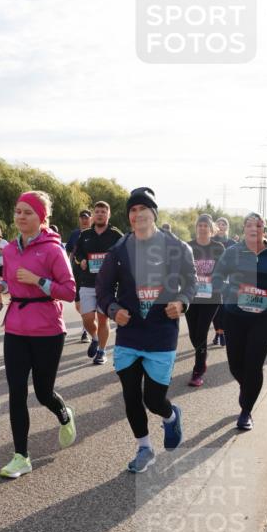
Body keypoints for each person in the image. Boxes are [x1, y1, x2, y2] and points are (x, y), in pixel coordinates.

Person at [96, 187, 196, 473]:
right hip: (129, 333)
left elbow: (190, 283)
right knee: (130, 395)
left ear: (154, 214)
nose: (138, 214)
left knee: (153, 399)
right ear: (129, 217)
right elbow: (103, 290)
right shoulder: (118, 251)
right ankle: (144, 447)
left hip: (161, 333)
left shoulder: (177, 248)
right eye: (133, 210)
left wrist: (182, 302)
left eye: (144, 209)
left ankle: (169, 416)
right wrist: (114, 310)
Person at [0, 190, 77, 478]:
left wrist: (39, 281)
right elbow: (12, 281)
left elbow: (68, 290)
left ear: (42, 217)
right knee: (16, 392)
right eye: (18, 211)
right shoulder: (9, 249)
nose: (21, 216)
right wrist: (2, 287)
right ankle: (21, 456)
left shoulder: (53, 249)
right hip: (15, 326)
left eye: (28, 212)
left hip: (47, 329)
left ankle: (63, 412)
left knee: (42, 392)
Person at [212, 212, 267, 430]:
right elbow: (217, 276)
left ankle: (246, 410)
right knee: (235, 364)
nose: (253, 229)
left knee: (254, 364)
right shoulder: (232, 252)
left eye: (258, 225)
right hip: (235, 315)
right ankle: (247, 387)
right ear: (244, 229)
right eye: (249, 224)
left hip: (264, 317)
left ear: (263, 230)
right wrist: (229, 290)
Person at [73, 201, 122, 365]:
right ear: (94, 215)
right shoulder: (85, 234)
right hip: (87, 283)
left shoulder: (116, 235)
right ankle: (94, 338)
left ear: (108, 214)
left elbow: (124, 257)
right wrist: (82, 261)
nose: (100, 214)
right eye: (98, 211)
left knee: (103, 319)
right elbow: (77, 254)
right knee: (87, 318)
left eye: (103, 211)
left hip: (107, 286)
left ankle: (101, 351)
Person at [185, 214, 226, 386]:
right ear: (196, 228)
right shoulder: (188, 246)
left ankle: (198, 370)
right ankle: (202, 356)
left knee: (201, 332)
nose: (202, 228)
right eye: (199, 225)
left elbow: (225, 270)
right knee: (194, 335)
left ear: (211, 229)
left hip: (211, 297)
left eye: (205, 225)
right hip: (191, 297)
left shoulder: (218, 247)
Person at [66, 209, 93, 342]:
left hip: (90, 273)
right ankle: (88, 323)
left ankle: (85, 330)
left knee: (88, 302)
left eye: (87, 217)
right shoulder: (75, 234)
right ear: (79, 219)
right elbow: (70, 252)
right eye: (82, 217)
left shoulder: (95, 233)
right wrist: (68, 269)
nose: (84, 220)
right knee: (78, 304)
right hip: (76, 271)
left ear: (91, 219)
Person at [210, 217, 234, 346]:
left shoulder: (232, 243)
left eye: (223, 224)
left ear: (227, 227)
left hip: (227, 278)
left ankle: (222, 332)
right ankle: (217, 332)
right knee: (215, 307)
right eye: (218, 224)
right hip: (212, 278)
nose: (221, 226)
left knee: (224, 307)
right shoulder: (210, 241)